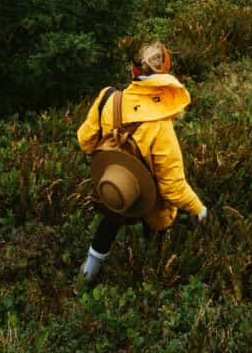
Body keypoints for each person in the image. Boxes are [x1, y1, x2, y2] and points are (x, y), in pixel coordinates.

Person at [76, 40, 206, 287]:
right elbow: (172, 188)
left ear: (132, 71)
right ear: (164, 76)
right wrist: (198, 208)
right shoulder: (160, 125)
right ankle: (150, 281)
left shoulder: (108, 97)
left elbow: (85, 140)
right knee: (157, 225)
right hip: (149, 197)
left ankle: (88, 274)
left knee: (112, 215)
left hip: (113, 181)